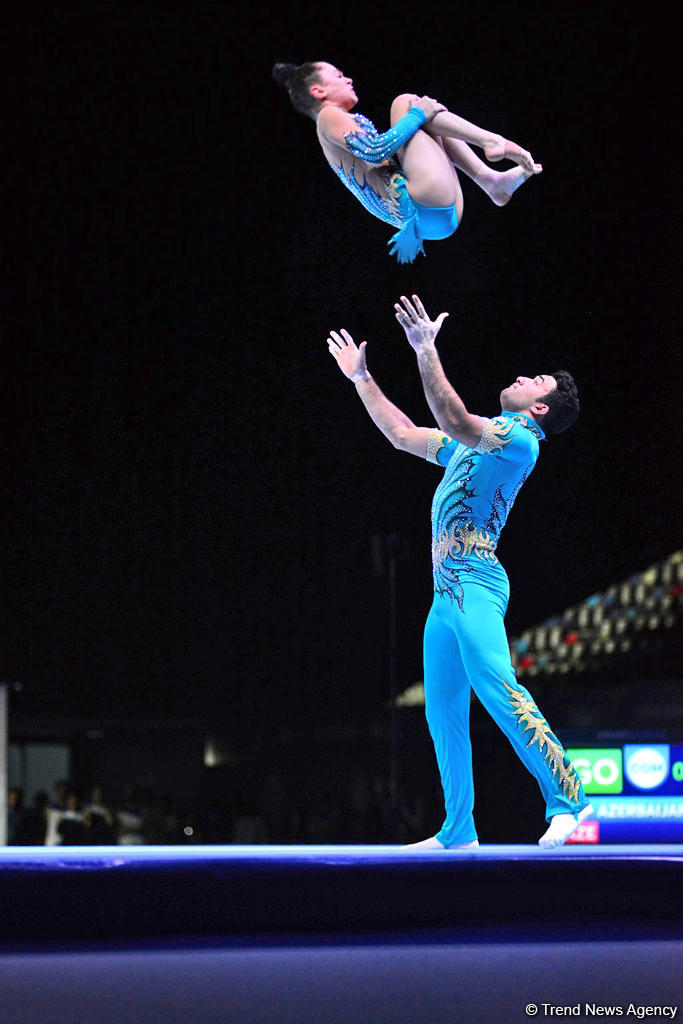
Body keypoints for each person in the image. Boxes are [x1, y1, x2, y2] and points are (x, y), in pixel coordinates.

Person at [326, 295, 593, 849]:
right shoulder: (470, 447)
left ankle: (570, 800)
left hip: (477, 582)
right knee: (442, 711)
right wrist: (361, 377)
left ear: (540, 408)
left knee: (498, 688)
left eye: (534, 380)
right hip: (445, 595)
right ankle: (458, 829)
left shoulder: (519, 441)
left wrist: (426, 350)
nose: (522, 376)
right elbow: (404, 434)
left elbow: (451, 414)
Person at [272, 61, 541, 262]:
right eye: (339, 76)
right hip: (421, 202)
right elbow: (375, 151)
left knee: (421, 119)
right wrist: (416, 115)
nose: (349, 79)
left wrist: (419, 118)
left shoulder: (333, 124)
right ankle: (490, 146)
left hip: (429, 219)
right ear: (318, 91)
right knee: (406, 104)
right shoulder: (328, 116)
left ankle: (490, 180)